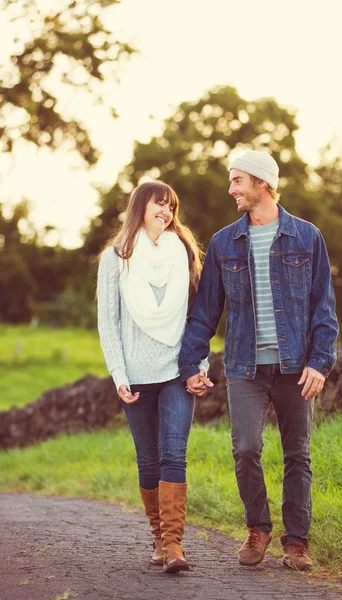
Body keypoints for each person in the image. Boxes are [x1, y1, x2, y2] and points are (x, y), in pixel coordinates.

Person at [179, 150, 339, 571]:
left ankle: (297, 542)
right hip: (244, 365)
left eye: (237, 181)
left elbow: (324, 308)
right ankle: (258, 528)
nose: (231, 189)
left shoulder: (307, 237)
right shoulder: (223, 242)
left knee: (297, 454)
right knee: (246, 448)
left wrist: (320, 362)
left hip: (294, 366)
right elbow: (204, 312)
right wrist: (192, 362)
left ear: (262, 183)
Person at [97, 180, 205, 573]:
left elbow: (198, 320)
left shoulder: (184, 253)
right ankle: (159, 537)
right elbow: (108, 324)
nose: (166, 212)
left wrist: (200, 366)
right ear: (141, 206)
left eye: (171, 206)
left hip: (178, 371)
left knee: (174, 453)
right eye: (159, 204)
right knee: (148, 460)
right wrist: (118, 374)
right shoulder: (116, 258)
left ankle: (174, 545)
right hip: (137, 377)